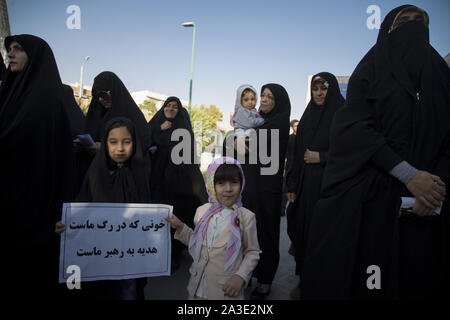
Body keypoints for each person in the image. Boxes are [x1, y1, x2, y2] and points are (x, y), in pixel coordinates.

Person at [301, 5, 449, 299]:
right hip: (374, 205)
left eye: (420, 21)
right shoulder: (370, 72)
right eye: (403, 21)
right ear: (387, 31)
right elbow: (356, 130)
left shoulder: (441, 78)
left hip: (430, 206)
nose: (413, 26)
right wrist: (408, 175)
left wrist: (433, 190)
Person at [1, 34, 75, 298]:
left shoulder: (48, 99)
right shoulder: (11, 93)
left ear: (35, 57)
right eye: (10, 49)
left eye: (18, 49)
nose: (11, 54)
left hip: (35, 206)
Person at [56, 116, 152, 299]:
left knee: (128, 291)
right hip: (98, 255)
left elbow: (148, 214)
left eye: (127, 142)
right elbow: (81, 205)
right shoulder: (95, 172)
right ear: (105, 143)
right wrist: (67, 223)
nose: (120, 148)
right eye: (113, 142)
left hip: (128, 257)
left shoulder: (140, 175)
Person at [225, 83, 291, 299]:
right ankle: (247, 273)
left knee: (266, 233)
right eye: (263, 95)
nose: (264, 99)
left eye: (270, 97)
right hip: (248, 184)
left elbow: (258, 141)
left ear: (278, 101)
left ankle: (265, 280)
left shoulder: (278, 123)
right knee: (245, 231)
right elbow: (231, 140)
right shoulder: (252, 118)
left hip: (268, 189)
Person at [165, 157, 261, 300]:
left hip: (225, 291)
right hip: (197, 287)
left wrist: (240, 277)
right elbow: (197, 242)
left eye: (234, 182)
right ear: (211, 184)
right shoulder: (202, 212)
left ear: (242, 184)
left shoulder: (246, 217)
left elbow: (252, 252)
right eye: (221, 183)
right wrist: (181, 227)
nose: (228, 189)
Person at [285, 73, 344, 299]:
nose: (319, 92)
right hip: (306, 187)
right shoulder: (307, 118)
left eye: (324, 88)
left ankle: (325, 283)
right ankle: (305, 279)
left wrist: (323, 157)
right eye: (315, 88)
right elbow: (296, 155)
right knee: (303, 231)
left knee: (326, 235)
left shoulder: (343, 114)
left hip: (332, 187)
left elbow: (352, 150)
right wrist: (291, 184)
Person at [148, 96, 208, 270]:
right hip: (157, 181)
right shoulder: (156, 125)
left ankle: (174, 254)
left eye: (175, 107)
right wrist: (159, 129)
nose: (171, 109)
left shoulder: (184, 129)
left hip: (178, 183)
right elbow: (144, 140)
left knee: (176, 216)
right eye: (168, 105)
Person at [282, 119, 299, 217]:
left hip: (300, 167)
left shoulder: (303, 138)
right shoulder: (289, 138)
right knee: (286, 188)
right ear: (292, 127)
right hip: (289, 167)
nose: (298, 127)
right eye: (296, 125)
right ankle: (282, 209)